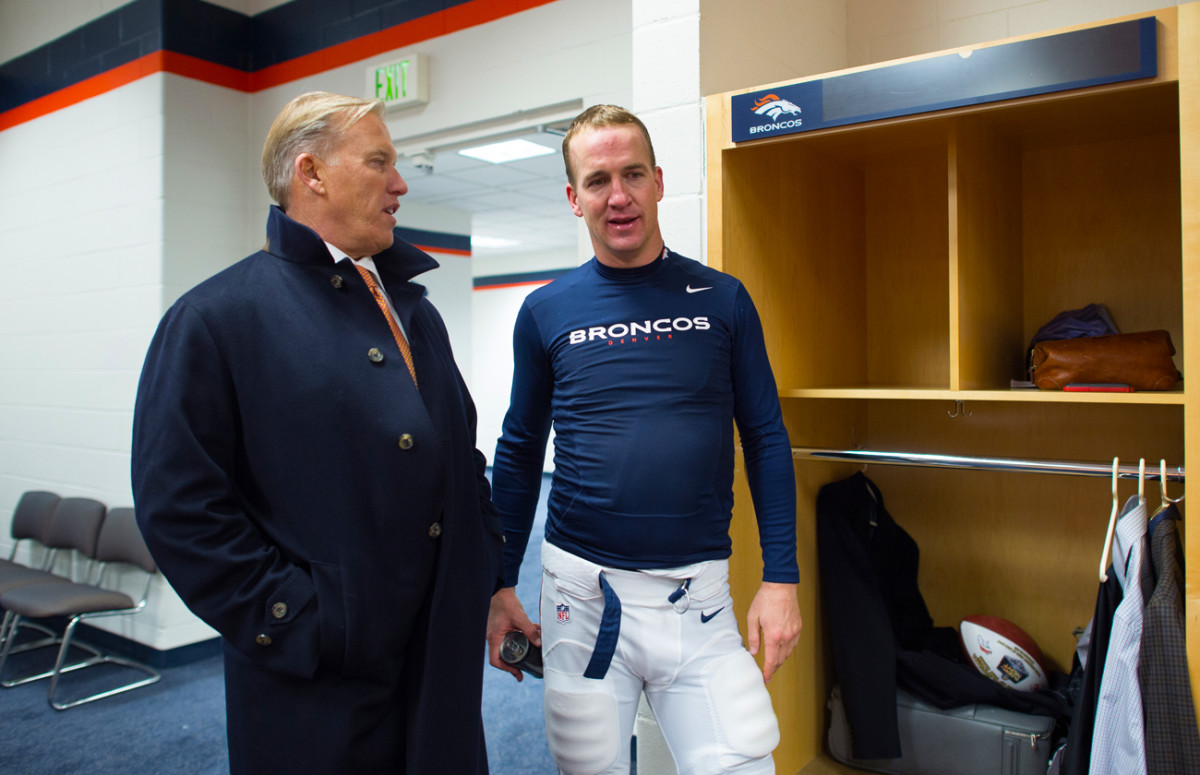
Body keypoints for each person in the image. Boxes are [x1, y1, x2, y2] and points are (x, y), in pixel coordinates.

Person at [131, 91, 504, 774]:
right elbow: (179, 510)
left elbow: (462, 459)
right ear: (312, 174)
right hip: (318, 688)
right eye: (379, 162)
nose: (400, 183)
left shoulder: (418, 314)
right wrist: (304, 619)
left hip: (438, 673)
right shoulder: (215, 319)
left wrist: (492, 583)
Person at [485, 104, 802, 775]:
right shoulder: (547, 310)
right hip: (581, 599)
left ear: (659, 180)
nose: (618, 195)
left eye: (632, 174)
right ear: (575, 198)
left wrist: (781, 577)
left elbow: (767, 440)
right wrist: (499, 582)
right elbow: (517, 451)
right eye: (598, 180)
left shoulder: (724, 300)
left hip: (701, 601)